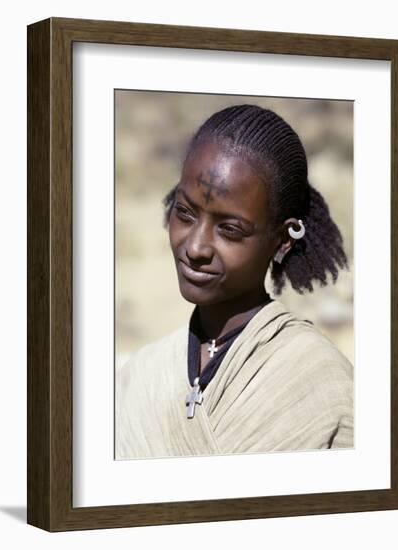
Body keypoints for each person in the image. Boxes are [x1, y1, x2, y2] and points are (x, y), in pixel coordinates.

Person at [115, 104, 353, 460]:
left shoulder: (320, 380)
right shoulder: (140, 374)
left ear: (283, 239)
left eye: (230, 230)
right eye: (185, 213)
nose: (195, 247)